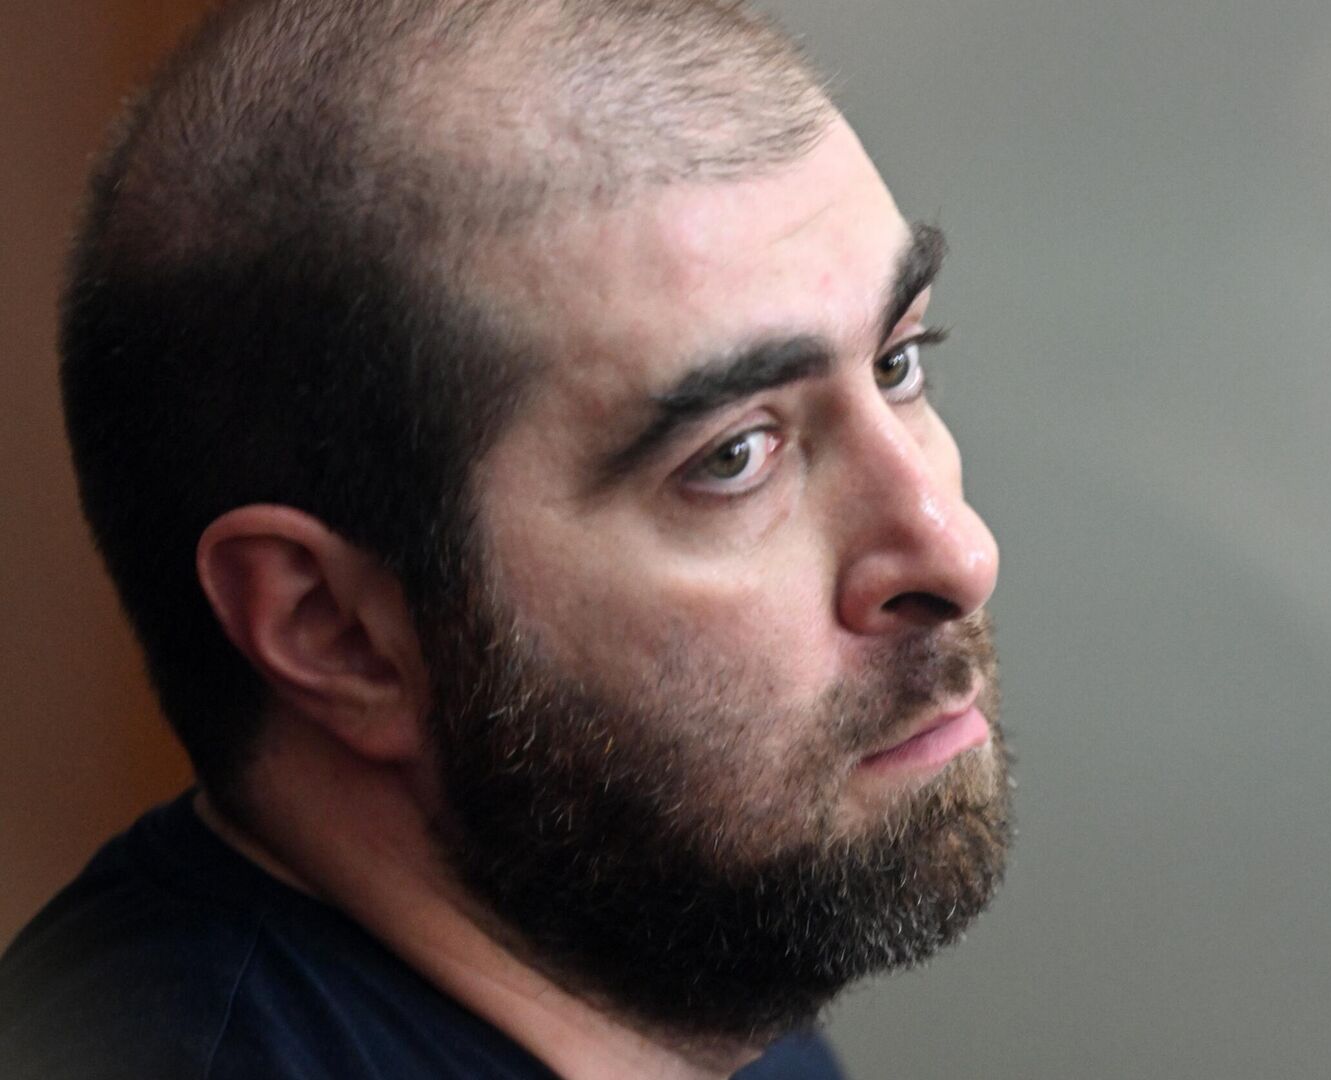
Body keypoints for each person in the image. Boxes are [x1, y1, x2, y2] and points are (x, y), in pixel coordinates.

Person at [0, 0, 1012, 1076]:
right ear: (336, 630)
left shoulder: (667, 957)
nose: (960, 556)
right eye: (732, 457)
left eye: (897, 363)